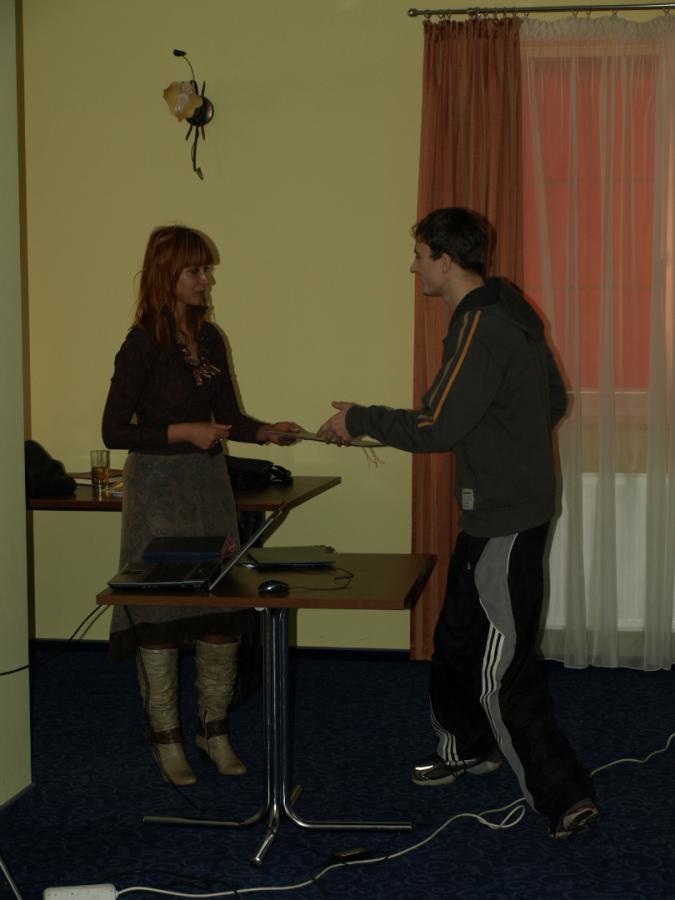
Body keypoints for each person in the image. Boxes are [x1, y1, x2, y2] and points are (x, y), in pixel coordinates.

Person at [319, 207, 598, 839]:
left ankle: (564, 796)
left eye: (420, 255)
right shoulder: (508, 309)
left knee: (502, 666)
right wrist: (505, 442)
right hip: (492, 510)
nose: (413, 266)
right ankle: (466, 748)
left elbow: (436, 425)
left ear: (446, 261)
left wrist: (359, 419)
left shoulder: (480, 325)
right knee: (457, 639)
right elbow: (553, 398)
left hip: (506, 519)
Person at [102, 225, 299, 786]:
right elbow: (114, 431)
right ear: (167, 275)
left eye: (206, 270)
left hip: (209, 489)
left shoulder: (210, 337)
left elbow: (229, 416)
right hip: (158, 494)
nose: (206, 279)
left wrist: (265, 432)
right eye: (195, 270)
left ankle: (214, 731)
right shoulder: (141, 343)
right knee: (162, 616)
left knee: (219, 615)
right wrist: (182, 431)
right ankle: (166, 737)